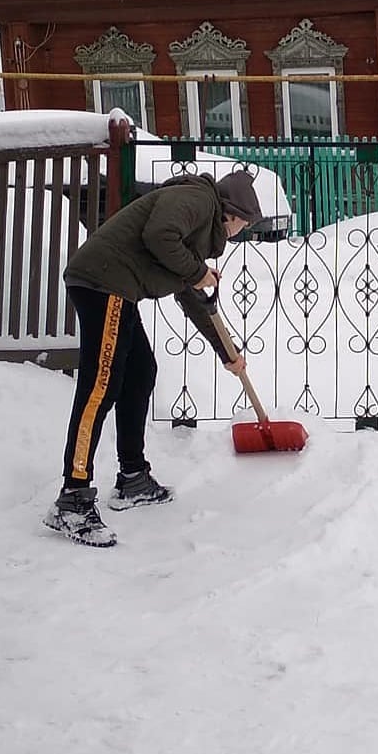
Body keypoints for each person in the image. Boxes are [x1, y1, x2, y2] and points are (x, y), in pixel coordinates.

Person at [43, 169, 263, 547]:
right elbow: (158, 235)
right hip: (104, 282)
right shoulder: (197, 199)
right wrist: (196, 271)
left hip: (117, 287)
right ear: (233, 214)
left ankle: (132, 477)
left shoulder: (194, 233)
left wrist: (228, 354)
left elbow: (193, 298)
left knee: (141, 372)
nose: (240, 231)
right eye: (244, 223)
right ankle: (73, 498)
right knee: (100, 387)